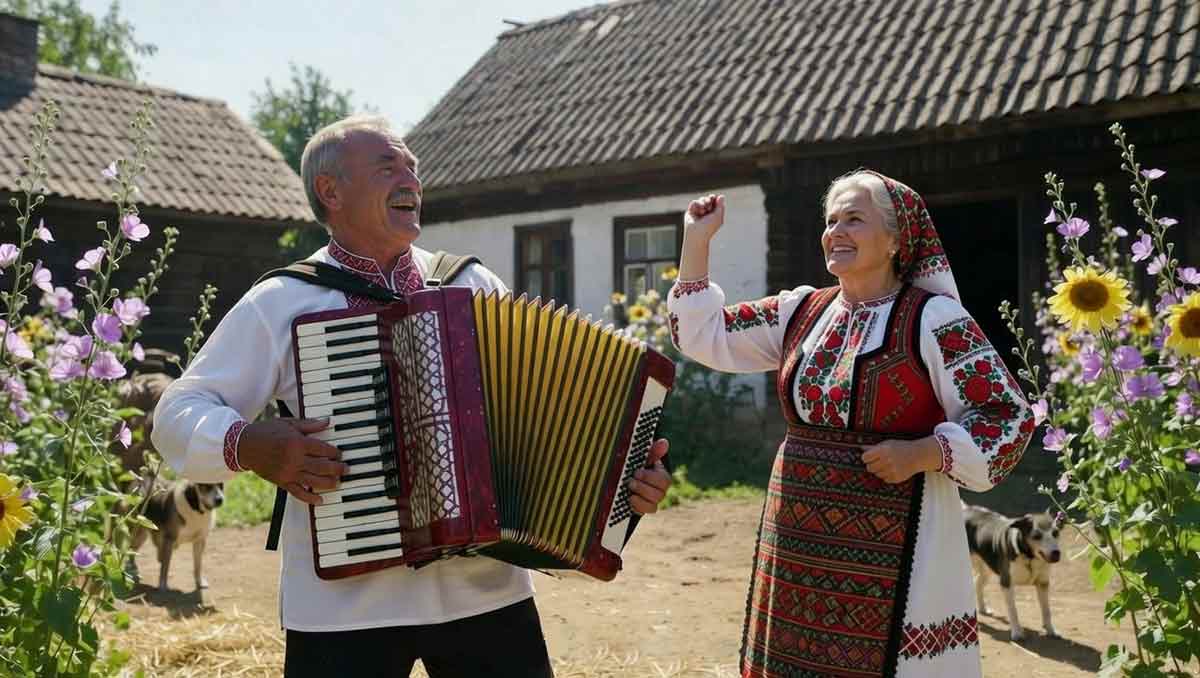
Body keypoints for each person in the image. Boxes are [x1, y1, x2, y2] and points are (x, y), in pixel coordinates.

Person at [151, 114, 673, 677]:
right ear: (331, 190)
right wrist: (249, 444)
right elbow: (176, 415)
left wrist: (622, 482)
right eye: (387, 166)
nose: (410, 179)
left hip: (485, 593)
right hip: (345, 609)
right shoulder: (282, 301)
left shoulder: (472, 285)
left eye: (412, 168)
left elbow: (555, 429)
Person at [667, 171, 1034, 677]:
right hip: (798, 539)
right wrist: (697, 240)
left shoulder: (935, 319)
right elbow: (704, 334)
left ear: (895, 241)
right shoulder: (801, 311)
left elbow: (1007, 414)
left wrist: (924, 453)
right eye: (831, 220)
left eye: (854, 219)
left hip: (901, 539)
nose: (835, 231)